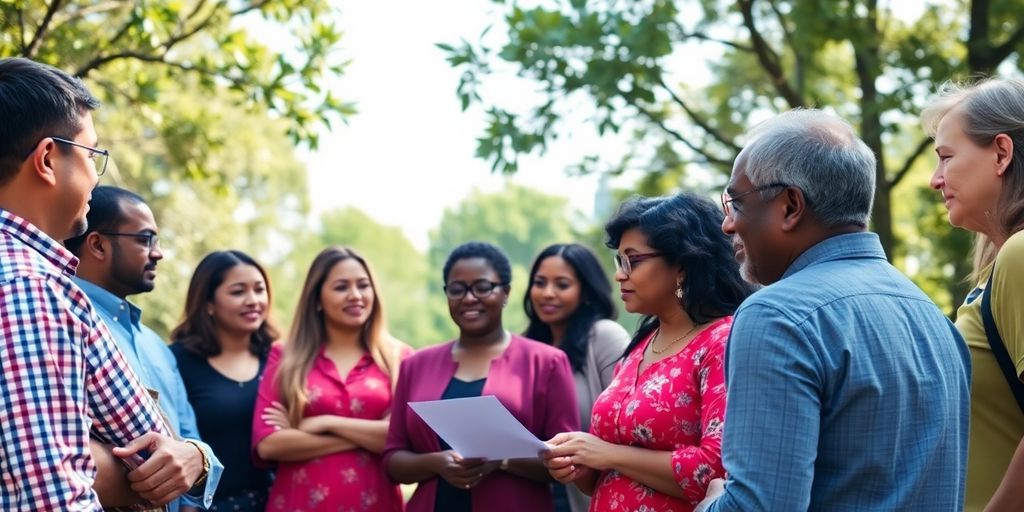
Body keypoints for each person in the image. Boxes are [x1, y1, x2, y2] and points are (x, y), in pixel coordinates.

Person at [696, 109, 970, 512]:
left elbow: (759, 507)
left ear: (790, 205)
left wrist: (712, 503)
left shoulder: (777, 317)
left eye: (735, 202)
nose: (727, 225)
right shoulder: (934, 318)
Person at [0, 56, 201, 509]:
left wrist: (186, 457)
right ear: (49, 159)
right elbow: (52, 498)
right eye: (93, 155)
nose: (95, 175)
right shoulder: (29, 289)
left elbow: (159, 445)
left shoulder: (44, 281)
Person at [542, 193, 754, 512]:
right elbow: (604, 475)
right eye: (619, 261)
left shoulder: (721, 341)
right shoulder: (639, 346)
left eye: (633, 260)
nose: (620, 274)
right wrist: (576, 464)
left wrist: (606, 454)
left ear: (682, 265)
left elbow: (714, 470)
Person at [384, 241, 579, 512]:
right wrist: (438, 462)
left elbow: (566, 459)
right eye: (457, 289)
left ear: (506, 292)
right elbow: (393, 460)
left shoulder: (546, 362)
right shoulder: (416, 365)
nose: (469, 298)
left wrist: (501, 459)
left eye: (483, 287)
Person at [66, 185, 223, 511]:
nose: (158, 253)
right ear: (97, 244)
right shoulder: (58, 320)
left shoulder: (157, 346)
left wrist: (197, 458)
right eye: (145, 239)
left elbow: (192, 440)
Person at [921, 77, 1024, 512]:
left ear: (1001, 153)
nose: (934, 179)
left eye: (946, 157)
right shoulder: (1001, 267)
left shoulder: (1020, 254)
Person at [253, 247, 407, 511]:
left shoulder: (399, 358)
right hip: (298, 503)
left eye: (363, 285)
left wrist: (322, 422)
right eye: (341, 287)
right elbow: (268, 444)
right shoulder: (286, 355)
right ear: (317, 298)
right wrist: (370, 435)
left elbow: (402, 438)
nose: (355, 295)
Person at [523, 243, 629, 512]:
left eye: (562, 284)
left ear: (586, 291)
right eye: (540, 282)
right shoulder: (524, 349)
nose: (547, 293)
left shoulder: (605, 337)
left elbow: (628, 419)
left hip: (584, 497)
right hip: (528, 493)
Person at [170, 251, 278, 510]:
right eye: (238, 292)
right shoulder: (177, 360)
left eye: (259, 290)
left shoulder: (279, 358)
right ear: (208, 302)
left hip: (277, 501)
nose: (253, 301)